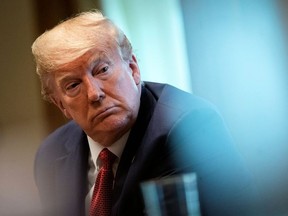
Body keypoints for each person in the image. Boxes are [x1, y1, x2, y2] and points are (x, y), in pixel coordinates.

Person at [32, 10, 257, 216]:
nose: (94, 94)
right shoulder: (51, 154)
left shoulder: (190, 127)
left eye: (102, 70)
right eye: (73, 85)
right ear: (60, 104)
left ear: (133, 68)